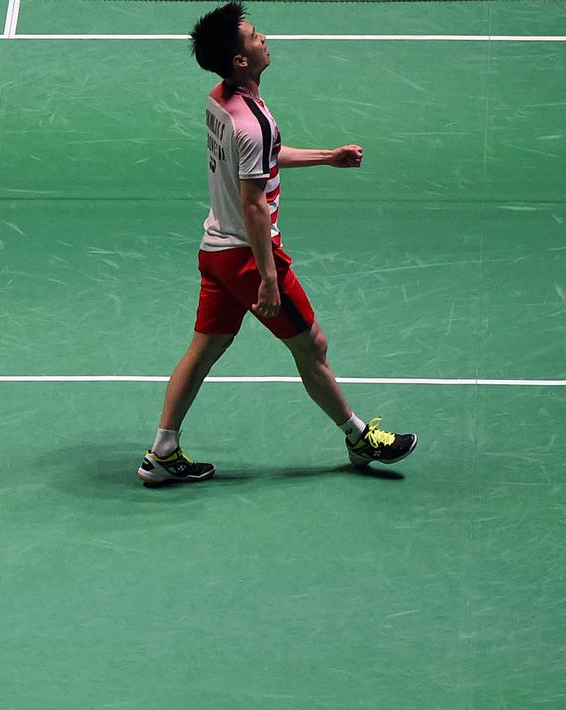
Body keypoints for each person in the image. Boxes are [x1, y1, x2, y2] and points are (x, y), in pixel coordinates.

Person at [138, 2, 417, 487]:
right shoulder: (253, 122)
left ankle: (162, 451)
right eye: (254, 36)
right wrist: (268, 278)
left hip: (217, 249)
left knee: (204, 348)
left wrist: (329, 157)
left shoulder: (222, 100)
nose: (264, 37)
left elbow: (260, 159)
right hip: (249, 256)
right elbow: (252, 203)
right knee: (313, 346)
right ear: (241, 60)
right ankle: (357, 438)